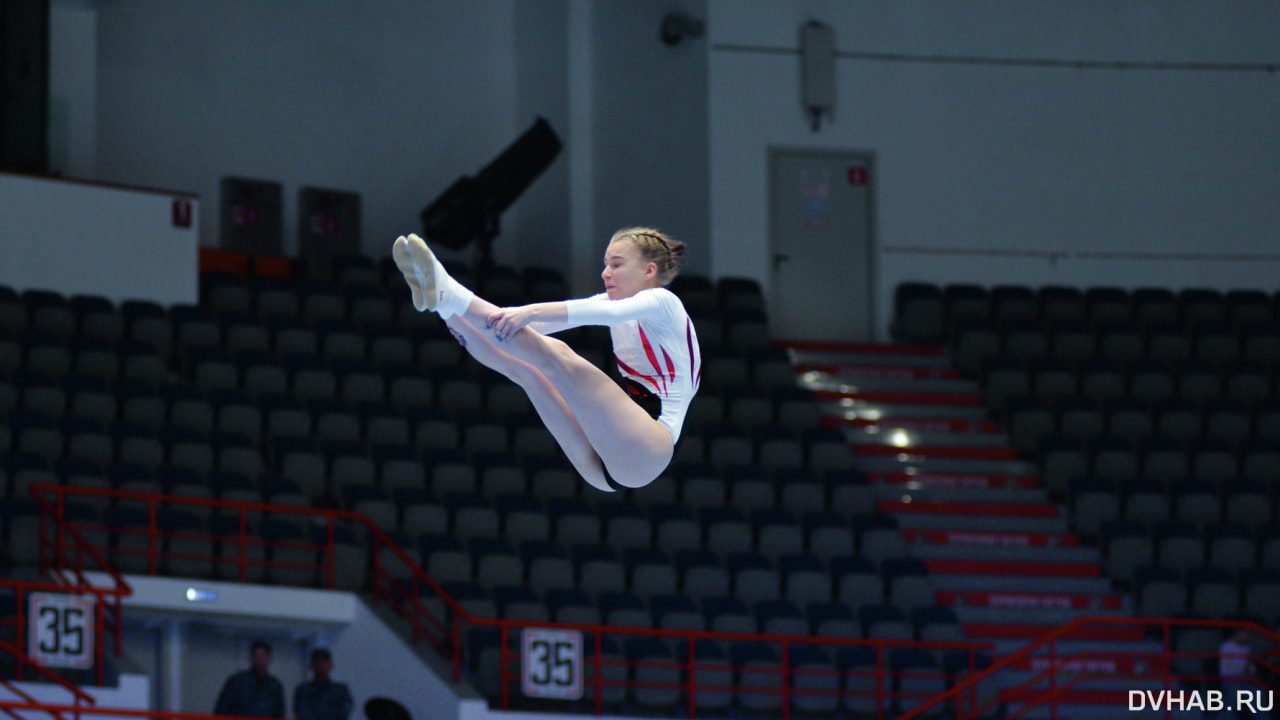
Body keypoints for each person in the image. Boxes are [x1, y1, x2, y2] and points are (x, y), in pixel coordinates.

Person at [392, 228, 701, 492]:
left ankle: (451, 293)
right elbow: (525, 330)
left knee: (558, 354)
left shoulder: (663, 302)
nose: (605, 273)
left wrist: (530, 311)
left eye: (616, 264)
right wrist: (468, 322)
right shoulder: (612, 301)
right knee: (527, 369)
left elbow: (608, 314)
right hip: (607, 467)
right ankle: (444, 305)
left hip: (649, 448)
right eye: (605, 264)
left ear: (648, 271)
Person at [215, 639, 285, 718]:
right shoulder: (236, 681)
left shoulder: (275, 686)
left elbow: (279, 714)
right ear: (250, 658)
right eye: (256, 656)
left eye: (263, 656)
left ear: (269, 659)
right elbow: (221, 710)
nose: (259, 660)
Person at [294, 648, 353, 720]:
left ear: (331, 665)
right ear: (311, 666)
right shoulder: (303, 691)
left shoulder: (341, 691)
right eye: (318, 663)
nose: (321, 666)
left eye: (324, 663)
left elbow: (343, 713)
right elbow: (303, 714)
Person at [1219, 627, 1256, 719]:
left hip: (1244, 681)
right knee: (1234, 690)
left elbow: (1250, 669)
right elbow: (1225, 670)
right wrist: (1242, 670)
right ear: (1237, 632)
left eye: (1249, 634)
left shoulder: (1247, 647)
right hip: (1229, 680)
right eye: (1245, 633)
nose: (1248, 636)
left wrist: (1249, 671)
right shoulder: (1226, 646)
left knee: (1258, 691)